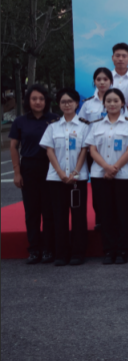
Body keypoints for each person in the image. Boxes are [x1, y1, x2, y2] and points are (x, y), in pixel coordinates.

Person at [85, 88, 128, 265]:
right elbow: (92, 149)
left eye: (116, 101)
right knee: (106, 214)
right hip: (100, 175)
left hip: (124, 176)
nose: (112, 104)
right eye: (108, 101)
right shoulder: (96, 125)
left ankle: (123, 250)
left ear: (122, 103)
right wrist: (106, 167)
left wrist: (115, 167)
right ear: (104, 104)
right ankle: (109, 250)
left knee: (123, 214)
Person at [10, 85, 60, 265]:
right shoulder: (20, 121)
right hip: (29, 168)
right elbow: (14, 146)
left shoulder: (54, 119)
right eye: (34, 99)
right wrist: (17, 172)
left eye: (41, 99)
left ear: (46, 101)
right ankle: (34, 249)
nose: (38, 102)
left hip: (50, 168)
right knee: (32, 211)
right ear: (28, 101)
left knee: (49, 210)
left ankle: (48, 249)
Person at [40, 88, 90, 266]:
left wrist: (75, 172)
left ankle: (78, 253)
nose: (67, 104)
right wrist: (61, 173)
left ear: (77, 104)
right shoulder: (52, 127)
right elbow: (50, 151)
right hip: (56, 179)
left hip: (78, 179)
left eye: (70, 101)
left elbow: (84, 150)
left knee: (78, 217)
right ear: (59, 104)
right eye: (63, 102)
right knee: (59, 216)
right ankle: (61, 253)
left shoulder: (84, 127)